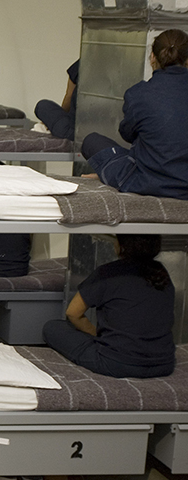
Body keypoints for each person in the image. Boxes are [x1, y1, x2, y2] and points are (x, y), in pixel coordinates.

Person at [43, 235, 176, 379]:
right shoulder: (161, 272)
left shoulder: (109, 272)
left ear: (121, 246)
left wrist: (95, 334)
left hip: (117, 364)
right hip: (164, 364)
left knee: (52, 327)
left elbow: (73, 313)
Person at [80, 29, 188, 200]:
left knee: (92, 141)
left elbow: (127, 134)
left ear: (152, 57)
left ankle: (106, 174)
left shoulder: (139, 93)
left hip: (146, 183)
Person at [34, 60, 78, 141]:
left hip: (74, 132)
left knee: (42, 105)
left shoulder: (82, 64)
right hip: (100, 136)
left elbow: (69, 97)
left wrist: (53, 120)